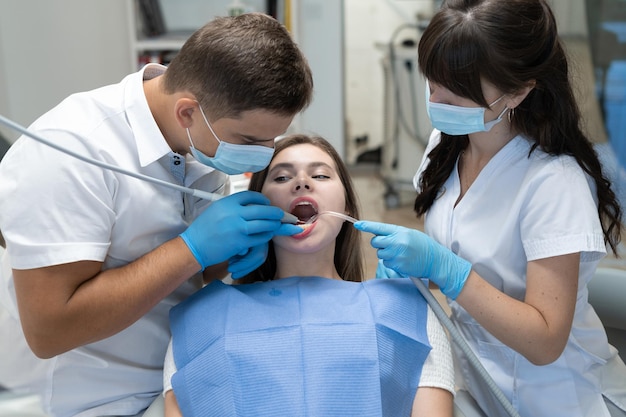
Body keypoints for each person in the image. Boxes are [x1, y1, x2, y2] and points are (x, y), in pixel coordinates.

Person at [0, 13, 312, 417]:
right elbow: (49, 330)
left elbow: (175, 269)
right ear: (188, 112)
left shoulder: (199, 134)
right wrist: (192, 249)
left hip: (173, 371)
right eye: (250, 141)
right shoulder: (71, 152)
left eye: (271, 139)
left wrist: (221, 258)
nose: (265, 154)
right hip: (87, 398)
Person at [355, 1, 626, 416]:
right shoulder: (446, 144)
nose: (437, 102)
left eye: (457, 93)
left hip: (563, 399)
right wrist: (416, 272)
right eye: (433, 85)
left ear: (517, 91)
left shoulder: (553, 182)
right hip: (484, 386)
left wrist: (446, 270)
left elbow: (545, 341)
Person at [162, 134, 455, 417]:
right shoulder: (202, 317)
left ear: (347, 206)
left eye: (321, 176)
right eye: (281, 177)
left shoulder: (406, 313)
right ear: (257, 208)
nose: (302, 182)